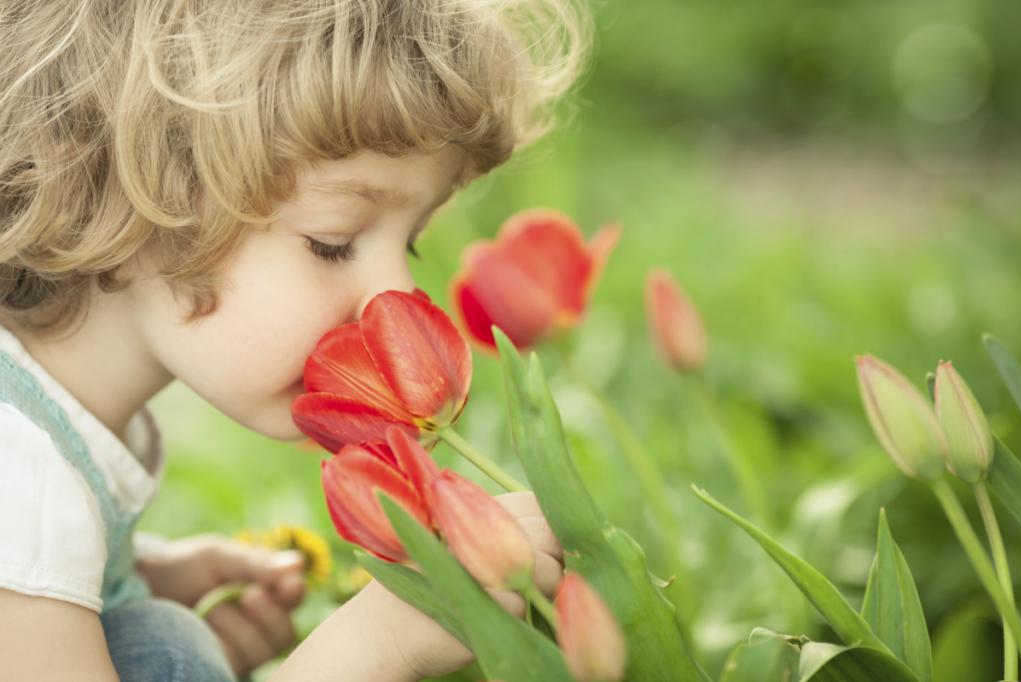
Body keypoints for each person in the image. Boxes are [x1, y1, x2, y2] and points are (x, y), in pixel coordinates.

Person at [0, 1, 590, 680]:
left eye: (413, 244)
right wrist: (378, 645)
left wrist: (144, 577)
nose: (390, 301)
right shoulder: (17, 476)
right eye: (332, 242)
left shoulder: (43, 449)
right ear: (117, 187)